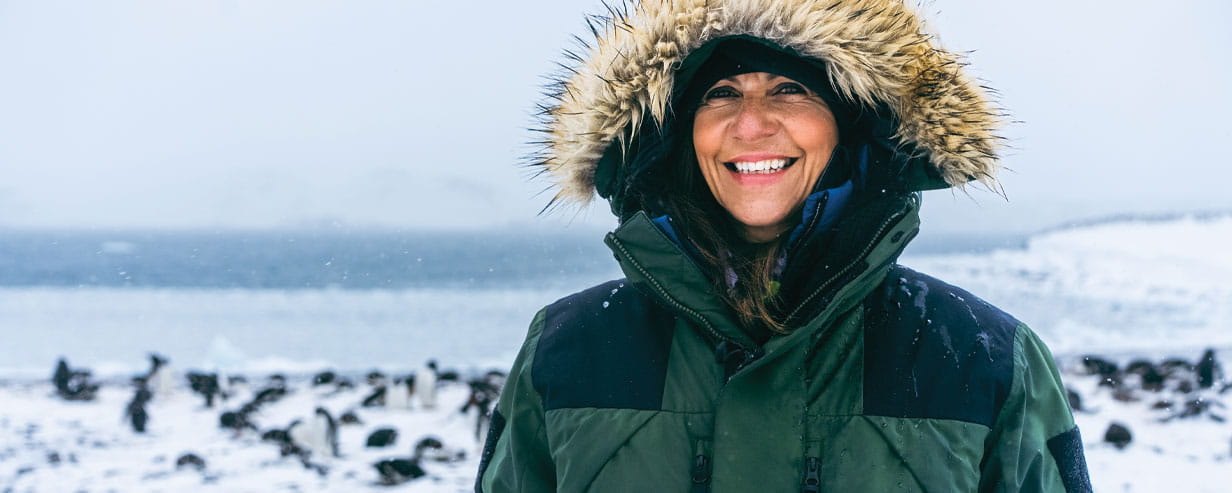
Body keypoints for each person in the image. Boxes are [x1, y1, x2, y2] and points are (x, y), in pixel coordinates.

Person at [477, 1, 1092, 492]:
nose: (751, 124)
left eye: (790, 90)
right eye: (720, 93)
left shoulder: (983, 359)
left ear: (851, 125)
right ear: (677, 136)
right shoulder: (567, 349)